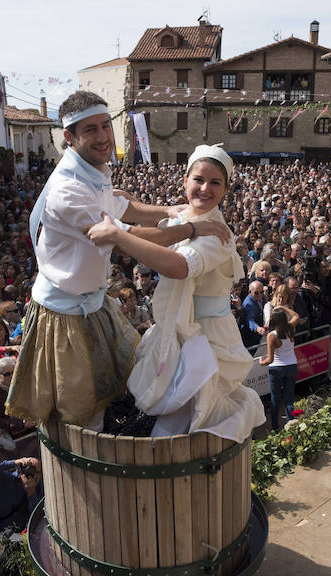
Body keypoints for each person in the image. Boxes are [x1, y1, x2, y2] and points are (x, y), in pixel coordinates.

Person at [6, 91, 228, 428]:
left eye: (105, 126)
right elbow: (126, 236)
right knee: (78, 416)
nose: (103, 137)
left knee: (108, 397)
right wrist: (191, 227)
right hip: (64, 313)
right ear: (69, 137)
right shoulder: (68, 190)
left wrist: (169, 210)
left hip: (94, 303)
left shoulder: (92, 169)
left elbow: (122, 206)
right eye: (90, 130)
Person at [87, 144, 266, 442]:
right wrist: (123, 203)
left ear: (225, 189)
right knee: (172, 411)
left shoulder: (218, 235)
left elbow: (179, 266)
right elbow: (160, 222)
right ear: (184, 180)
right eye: (198, 179)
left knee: (186, 419)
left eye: (215, 182)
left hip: (207, 339)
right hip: (179, 328)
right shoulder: (184, 212)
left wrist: (118, 234)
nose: (205, 188)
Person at [259, 308, 299, 432]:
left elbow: (270, 360)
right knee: (289, 398)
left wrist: (261, 362)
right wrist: (283, 308)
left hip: (276, 369)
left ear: (273, 320)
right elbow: (296, 314)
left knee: (275, 399)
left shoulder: (272, 336)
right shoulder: (291, 328)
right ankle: (290, 425)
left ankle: (275, 428)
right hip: (292, 366)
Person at [240, 281, 266, 352]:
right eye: (256, 293)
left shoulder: (263, 298)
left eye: (261, 292)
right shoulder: (248, 304)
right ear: (249, 292)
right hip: (249, 336)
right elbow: (249, 320)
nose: (260, 295)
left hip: (258, 335)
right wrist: (257, 328)